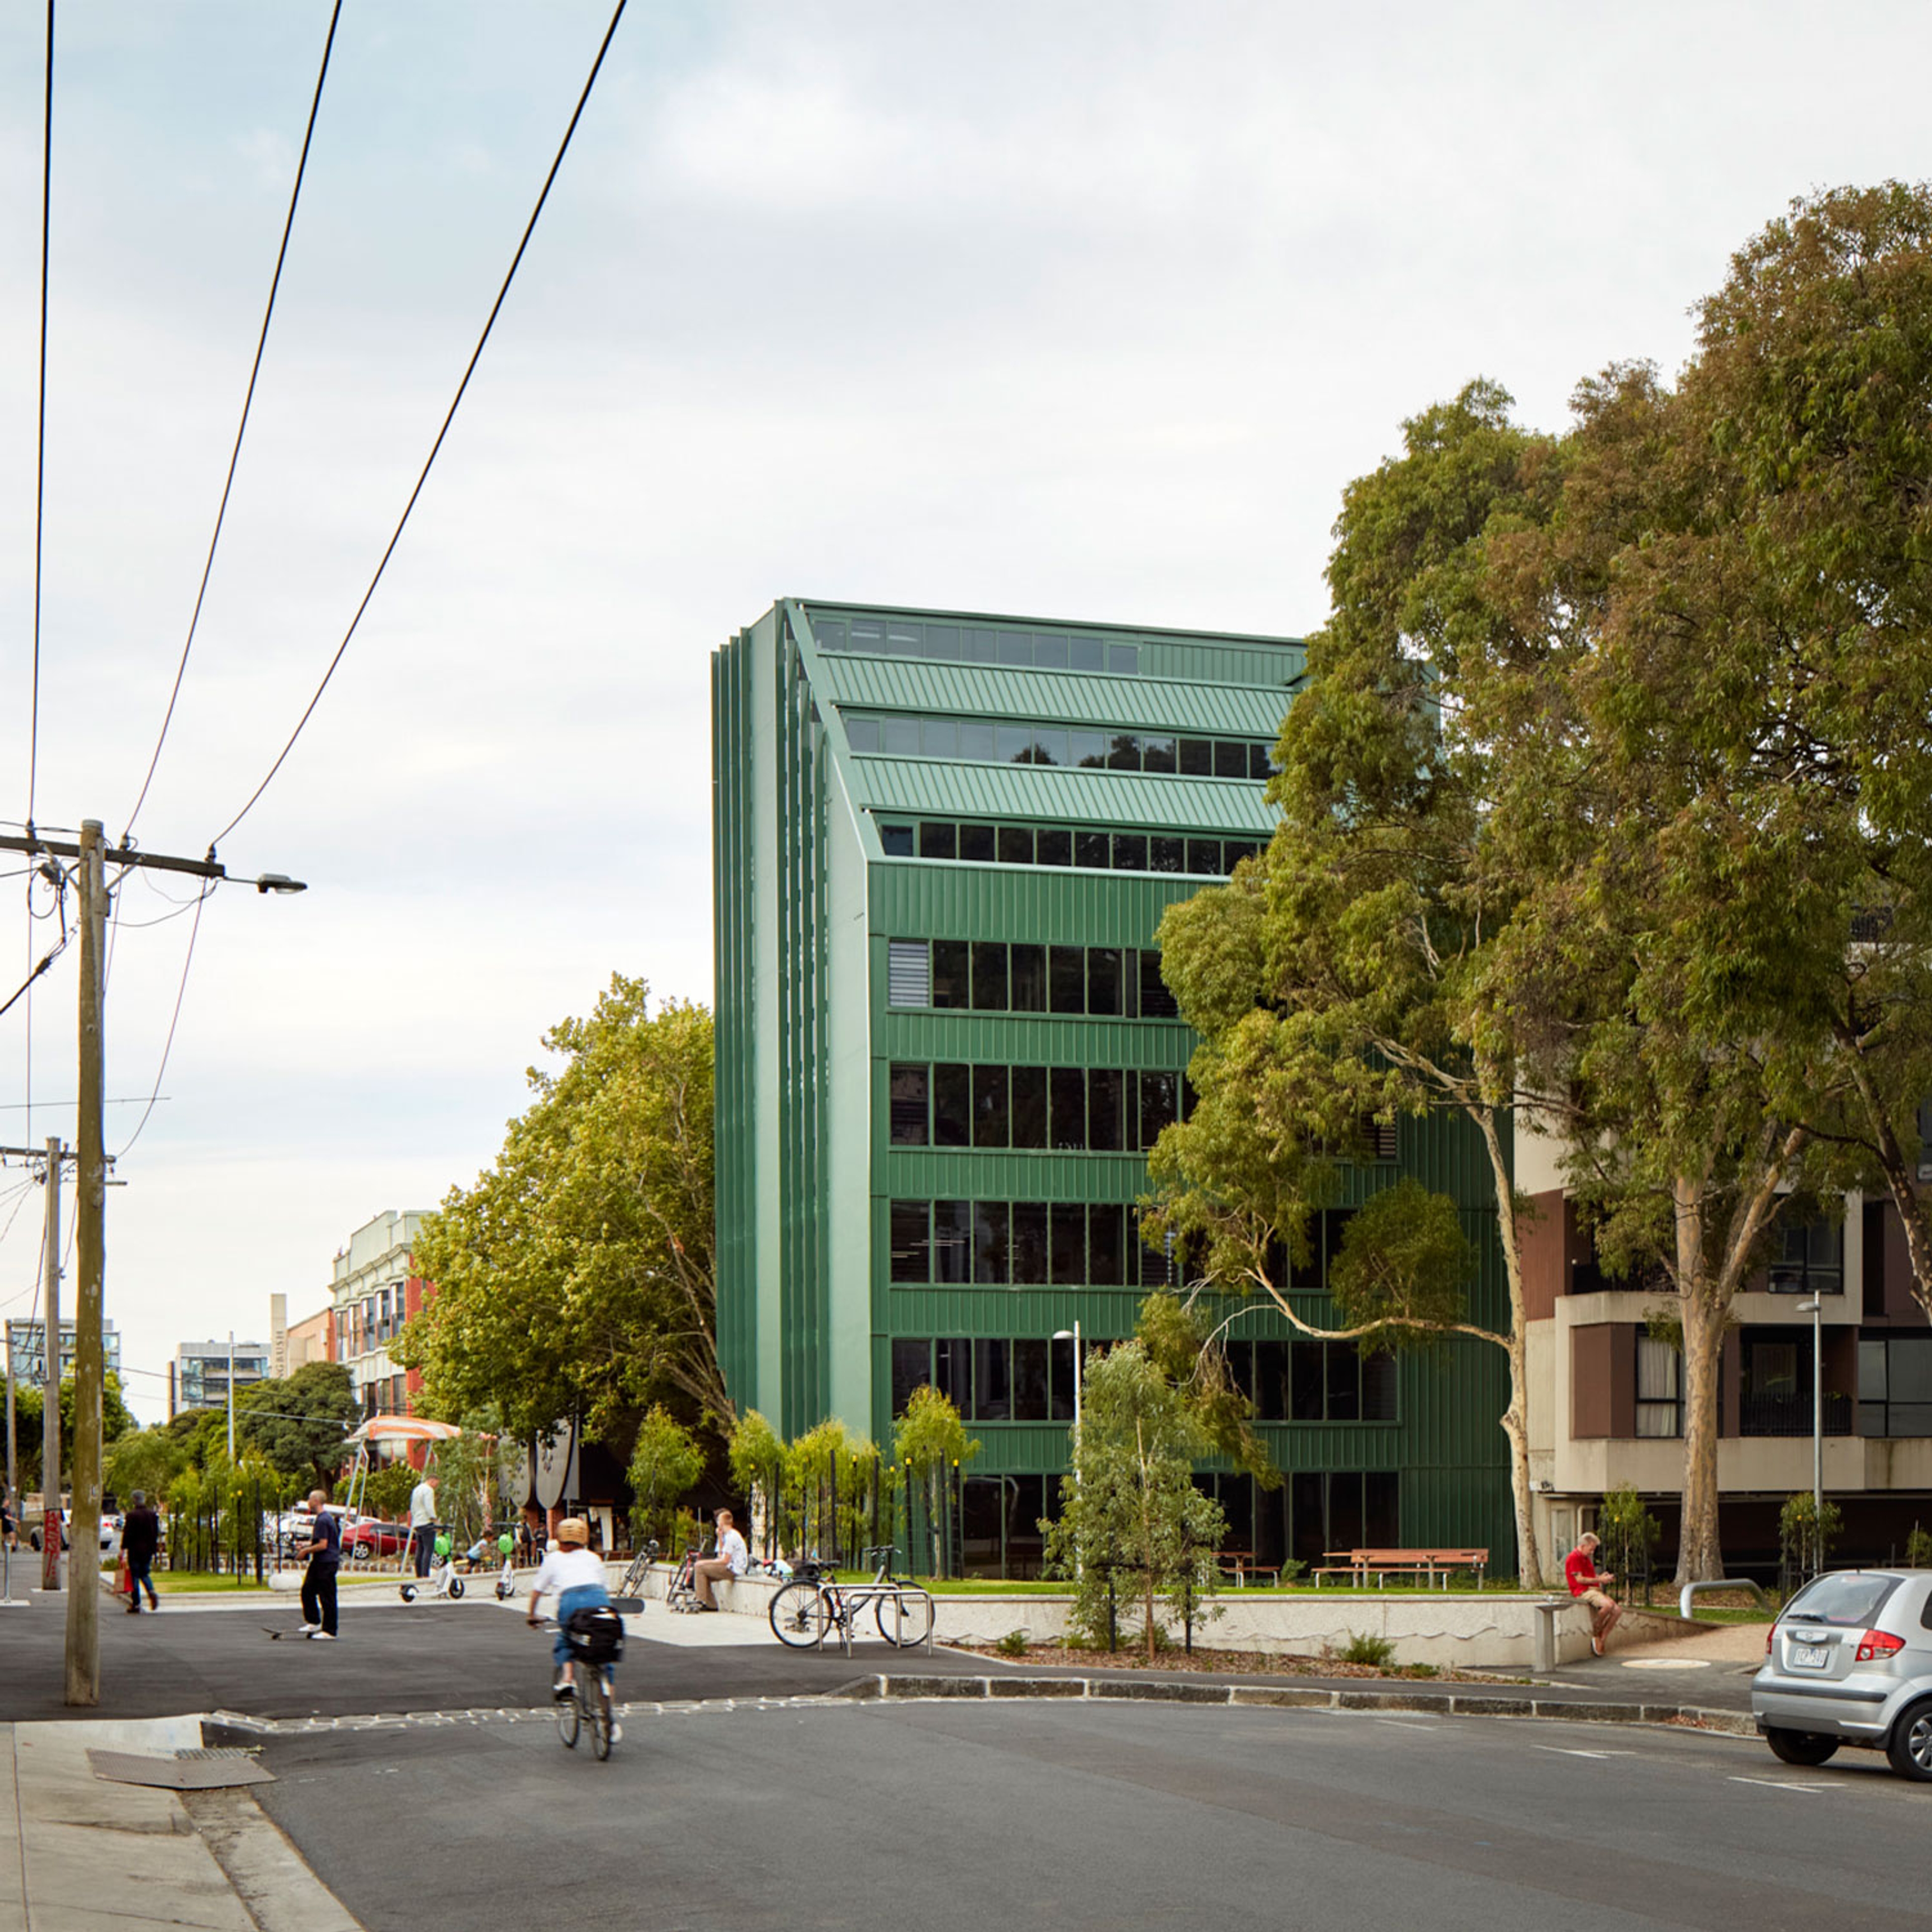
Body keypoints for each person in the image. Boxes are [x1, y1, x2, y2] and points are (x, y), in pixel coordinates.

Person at [525, 1516, 612, 1699]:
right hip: (598, 1598)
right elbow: (605, 1589)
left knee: (566, 1638)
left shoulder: (553, 1559)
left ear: (559, 1539)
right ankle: (609, 1718)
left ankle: (568, 1679)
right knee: (605, 1649)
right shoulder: (594, 1558)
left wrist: (532, 1615)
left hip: (570, 1602)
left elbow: (537, 1591)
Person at [1565, 1530, 1621, 1656]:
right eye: (1591, 1549)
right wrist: (1600, 1579)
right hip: (1583, 1591)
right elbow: (1579, 1579)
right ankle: (1597, 1629)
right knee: (1608, 1605)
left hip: (1593, 1589)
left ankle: (1602, 1638)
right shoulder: (1574, 1557)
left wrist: (1601, 1578)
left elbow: (1589, 1576)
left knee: (1617, 1610)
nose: (1592, 1552)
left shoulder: (1585, 1558)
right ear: (1584, 1545)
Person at [299, 1489, 342, 1640]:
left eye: (310, 1499)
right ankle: (314, 1621)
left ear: (316, 1501)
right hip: (319, 1562)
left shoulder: (323, 1520)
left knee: (327, 1596)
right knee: (308, 1590)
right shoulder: (323, 1519)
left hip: (326, 1562)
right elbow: (319, 1541)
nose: (308, 1502)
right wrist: (305, 1545)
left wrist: (305, 1552)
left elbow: (324, 1545)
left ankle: (329, 1631)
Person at [690, 1506, 749, 1612]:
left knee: (700, 1568)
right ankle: (711, 1604)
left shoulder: (732, 1537)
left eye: (718, 1521)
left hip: (733, 1569)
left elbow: (725, 1560)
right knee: (703, 1572)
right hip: (729, 1567)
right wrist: (720, 1538)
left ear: (721, 1523)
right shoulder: (727, 1535)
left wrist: (704, 1563)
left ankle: (701, 1601)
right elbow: (721, 1555)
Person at [122, 1490, 161, 1614]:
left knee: (135, 1576)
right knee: (145, 1573)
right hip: (147, 1550)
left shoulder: (132, 1516)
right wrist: (154, 1549)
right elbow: (156, 1533)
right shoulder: (152, 1515)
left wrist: (123, 1549)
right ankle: (151, 1591)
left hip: (134, 1550)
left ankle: (136, 1603)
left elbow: (127, 1534)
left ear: (134, 1500)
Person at [408, 1471, 438, 1579]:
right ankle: (426, 1574)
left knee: (419, 1550)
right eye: (436, 1484)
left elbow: (412, 1507)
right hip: (426, 1522)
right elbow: (429, 1506)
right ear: (432, 1481)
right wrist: (435, 1519)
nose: (436, 1487)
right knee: (428, 1550)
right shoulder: (428, 1490)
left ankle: (419, 1574)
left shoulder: (417, 1489)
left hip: (417, 1522)